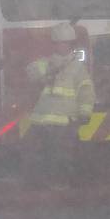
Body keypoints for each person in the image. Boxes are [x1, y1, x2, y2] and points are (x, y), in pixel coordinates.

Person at [22, 22, 94, 186]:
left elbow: (86, 91)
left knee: (61, 156)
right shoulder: (46, 63)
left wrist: (85, 113)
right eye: (59, 43)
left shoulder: (78, 68)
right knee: (37, 155)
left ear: (71, 44)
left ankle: (59, 186)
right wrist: (48, 71)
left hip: (64, 122)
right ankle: (41, 185)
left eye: (66, 43)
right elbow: (30, 72)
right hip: (42, 121)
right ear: (54, 44)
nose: (62, 46)